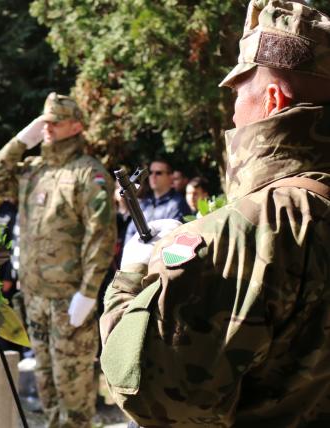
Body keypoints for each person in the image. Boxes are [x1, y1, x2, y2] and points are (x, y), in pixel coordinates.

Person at [100, 1, 330, 426]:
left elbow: (149, 393)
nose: (232, 112)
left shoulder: (254, 228)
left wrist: (132, 278)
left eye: (239, 92)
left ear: (273, 100)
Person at [0, 92, 116, 428]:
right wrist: (20, 140)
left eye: (56, 122)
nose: (48, 128)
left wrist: (88, 293)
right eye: (45, 121)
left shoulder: (89, 173)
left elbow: (100, 236)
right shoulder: (33, 170)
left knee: (73, 393)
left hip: (69, 300)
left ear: (76, 127)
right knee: (45, 388)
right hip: (34, 298)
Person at [123, 158, 191, 242]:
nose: (153, 176)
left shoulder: (178, 203)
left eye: (158, 173)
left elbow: (170, 236)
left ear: (171, 177)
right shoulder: (145, 202)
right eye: (151, 172)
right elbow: (130, 232)